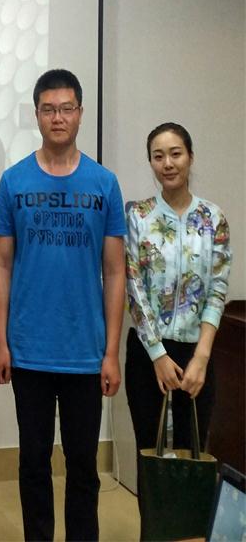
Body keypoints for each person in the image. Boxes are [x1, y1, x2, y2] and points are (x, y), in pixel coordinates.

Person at [0, 69, 126, 541]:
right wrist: (1, 342)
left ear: (80, 114)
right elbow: (1, 264)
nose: (58, 117)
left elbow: (115, 271)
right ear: (37, 115)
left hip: (85, 351)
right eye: (49, 109)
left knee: (84, 465)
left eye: (67, 108)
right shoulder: (13, 181)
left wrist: (112, 351)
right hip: (28, 349)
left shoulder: (104, 183)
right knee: (33, 462)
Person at [124, 123, 230, 472]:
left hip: (197, 354)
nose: (167, 164)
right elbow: (134, 288)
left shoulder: (213, 219)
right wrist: (157, 354)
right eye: (158, 157)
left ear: (190, 157)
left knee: (191, 458)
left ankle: (190, 515)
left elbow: (217, 289)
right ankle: (152, 513)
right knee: (151, 457)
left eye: (175, 154)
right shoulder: (138, 216)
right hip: (148, 354)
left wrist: (202, 356)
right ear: (151, 163)